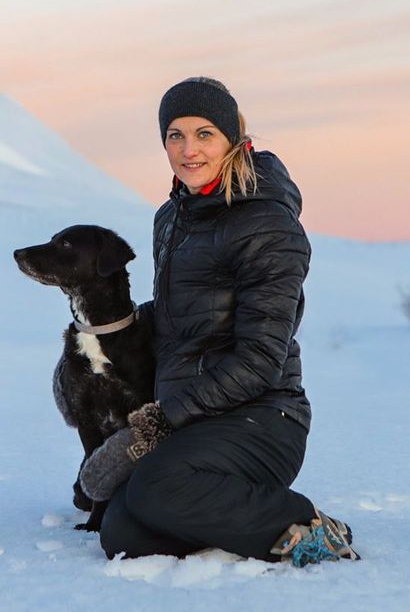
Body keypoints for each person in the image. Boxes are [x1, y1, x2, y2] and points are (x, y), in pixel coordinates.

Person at [79, 76, 359, 566]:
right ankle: (224, 518)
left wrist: (160, 422)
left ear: (233, 138)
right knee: (122, 531)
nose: (189, 150)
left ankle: (305, 525)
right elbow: (174, 320)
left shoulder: (265, 223)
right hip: (193, 420)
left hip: (262, 417)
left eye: (205, 133)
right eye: (175, 135)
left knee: (155, 487)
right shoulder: (171, 218)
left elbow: (260, 359)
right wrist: (104, 331)